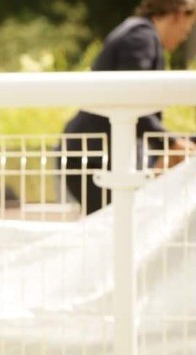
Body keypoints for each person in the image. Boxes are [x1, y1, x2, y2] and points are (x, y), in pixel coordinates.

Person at [61, 0, 196, 215]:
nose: (185, 35)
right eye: (188, 27)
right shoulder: (139, 38)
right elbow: (130, 97)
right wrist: (169, 142)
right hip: (94, 157)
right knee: (116, 230)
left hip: (97, 153)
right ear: (179, 14)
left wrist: (170, 142)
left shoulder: (139, 34)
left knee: (117, 229)